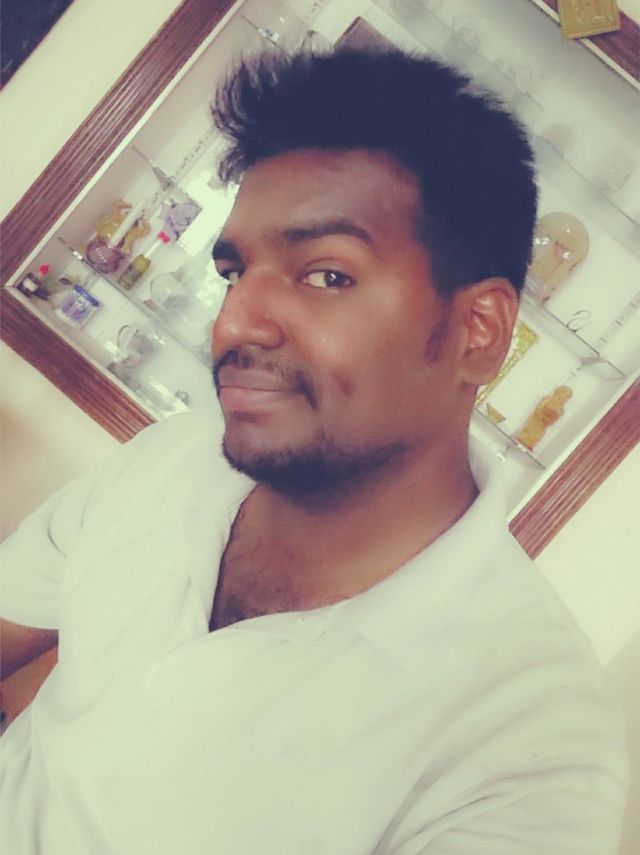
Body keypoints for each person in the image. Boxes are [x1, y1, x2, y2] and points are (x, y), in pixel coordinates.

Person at [0, 47, 628, 854]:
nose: (233, 322)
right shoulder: (172, 458)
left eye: (326, 275)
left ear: (479, 333)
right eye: (235, 272)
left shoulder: (532, 750)